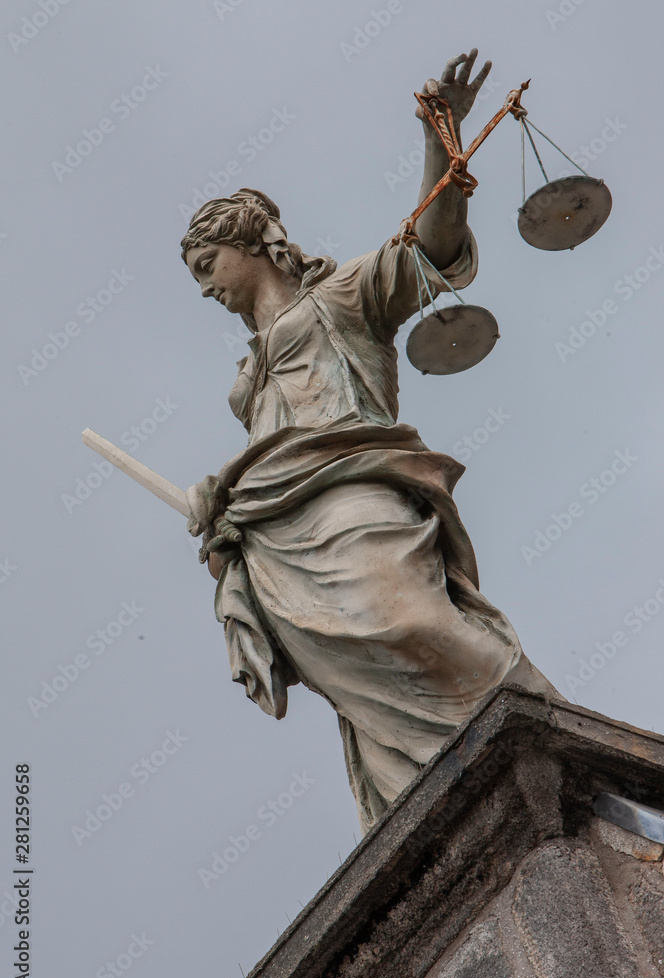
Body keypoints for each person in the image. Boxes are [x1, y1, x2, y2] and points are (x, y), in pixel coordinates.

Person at [181, 50, 562, 834]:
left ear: (250, 243)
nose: (206, 286)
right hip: (282, 542)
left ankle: (551, 732)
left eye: (207, 264)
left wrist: (440, 136)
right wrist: (217, 506)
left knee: (416, 625)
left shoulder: (344, 297)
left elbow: (429, 245)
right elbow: (263, 449)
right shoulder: (241, 382)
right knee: (368, 692)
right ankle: (432, 824)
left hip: (356, 495)